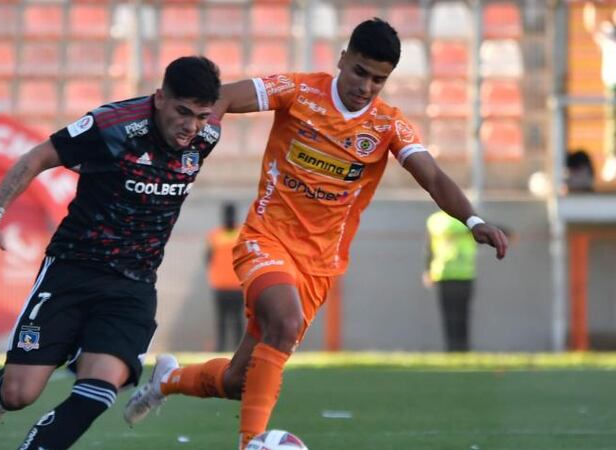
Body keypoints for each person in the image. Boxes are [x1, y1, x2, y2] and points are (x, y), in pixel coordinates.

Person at [124, 18, 509, 449]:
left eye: (378, 80)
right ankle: (253, 442)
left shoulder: (387, 126)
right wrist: (201, 130)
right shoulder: (299, 90)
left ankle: (169, 380)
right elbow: (227, 96)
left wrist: (474, 221)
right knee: (284, 321)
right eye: (360, 71)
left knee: (239, 381)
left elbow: (433, 177)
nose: (365, 86)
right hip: (266, 238)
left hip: (318, 265)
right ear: (343, 59)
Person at [0, 56, 222, 450]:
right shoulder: (113, 127)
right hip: (73, 268)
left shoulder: (207, 135)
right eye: (182, 112)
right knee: (21, 394)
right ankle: (1, 393)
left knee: (99, 387)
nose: (191, 127)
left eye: (202, 116)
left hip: (133, 282)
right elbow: (36, 157)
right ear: (159, 99)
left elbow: (241, 99)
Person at [424, 210, 478, 352]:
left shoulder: (435, 220)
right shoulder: (467, 218)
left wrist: (427, 269)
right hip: (461, 273)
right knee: (461, 315)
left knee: (450, 315)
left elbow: (429, 247)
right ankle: (461, 348)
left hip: (445, 273)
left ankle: (453, 348)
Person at [584, 2, 616, 182]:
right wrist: (591, 4)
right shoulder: (608, 31)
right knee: (613, 123)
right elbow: (591, 24)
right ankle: (613, 159)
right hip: (613, 83)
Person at [206, 202, 244, 352]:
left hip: (228, 286)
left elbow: (208, 259)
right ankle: (228, 350)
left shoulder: (215, 236)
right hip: (228, 285)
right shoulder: (241, 234)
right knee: (232, 320)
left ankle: (225, 350)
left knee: (229, 320)